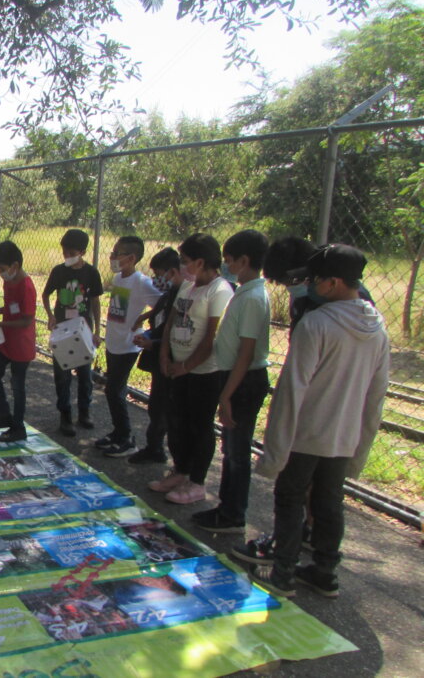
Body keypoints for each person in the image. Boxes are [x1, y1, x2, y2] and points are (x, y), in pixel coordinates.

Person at [244, 244, 388, 599]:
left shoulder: (316, 324)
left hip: (307, 434)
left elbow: (292, 391)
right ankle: (325, 571)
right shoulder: (377, 328)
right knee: (329, 502)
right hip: (345, 435)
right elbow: (376, 395)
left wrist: (275, 451)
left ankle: (283, 572)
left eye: (315, 280)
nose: (310, 286)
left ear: (334, 282)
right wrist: (361, 446)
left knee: (291, 498)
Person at [191, 230, 271, 533]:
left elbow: (246, 353)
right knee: (231, 450)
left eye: (229, 261)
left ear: (244, 260)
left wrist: (226, 395)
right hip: (235, 378)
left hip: (243, 381)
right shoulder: (245, 292)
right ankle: (227, 507)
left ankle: (233, 514)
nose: (226, 266)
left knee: (237, 453)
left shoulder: (252, 298)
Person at [153, 233, 233, 505]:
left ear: (201, 261)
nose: (182, 266)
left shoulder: (220, 291)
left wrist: (186, 366)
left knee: (200, 425)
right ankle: (180, 469)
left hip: (203, 372)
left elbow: (211, 337)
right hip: (177, 368)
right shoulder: (187, 287)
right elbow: (171, 324)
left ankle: (197, 482)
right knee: (177, 421)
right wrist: (165, 355)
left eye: (185, 261)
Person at [97, 235, 161, 458]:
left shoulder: (141, 282)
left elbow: (163, 304)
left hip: (128, 345)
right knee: (113, 390)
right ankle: (118, 432)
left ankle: (127, 438)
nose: (112, 257)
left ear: (132, 257)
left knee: (114, 390)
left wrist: (143, 317)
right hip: (113, 341)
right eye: (112, 252)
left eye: (117, 253)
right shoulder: (118, 278)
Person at [41, 229, 103, 436]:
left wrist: (96, 330)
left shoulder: (91, 273)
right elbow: (46, 294)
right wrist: (51, 315)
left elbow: (95, 301)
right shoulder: (59, 271)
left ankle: (84, 412)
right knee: (62, 375)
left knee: (85, 375)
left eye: (71, 252)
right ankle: (65, 415)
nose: (66, 256)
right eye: (64, 252)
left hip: (83, 330)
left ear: (83, 252)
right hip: (62, 330)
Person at [129, 248, 183, 465]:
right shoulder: (168, 295)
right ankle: (154, 446)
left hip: (170, 359)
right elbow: (158, 321)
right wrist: (147, 335)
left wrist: (154, 342)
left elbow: (176, 333)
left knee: (164, 410)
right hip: (157, 356)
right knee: (156, 406)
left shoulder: (183, 296)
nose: (158, 280)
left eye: (160, 274)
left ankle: (158, 449)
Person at [0, 241, 36, 443]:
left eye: (1, 269)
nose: (0, 274)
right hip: (7, 341)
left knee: (17, 385)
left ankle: (18, 427)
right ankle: (3, 414)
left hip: (21, 343)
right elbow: (11, 307)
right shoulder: (9, 281)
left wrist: (0, 325)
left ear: (15, 265)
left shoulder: (26, 286)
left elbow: (27, 319)